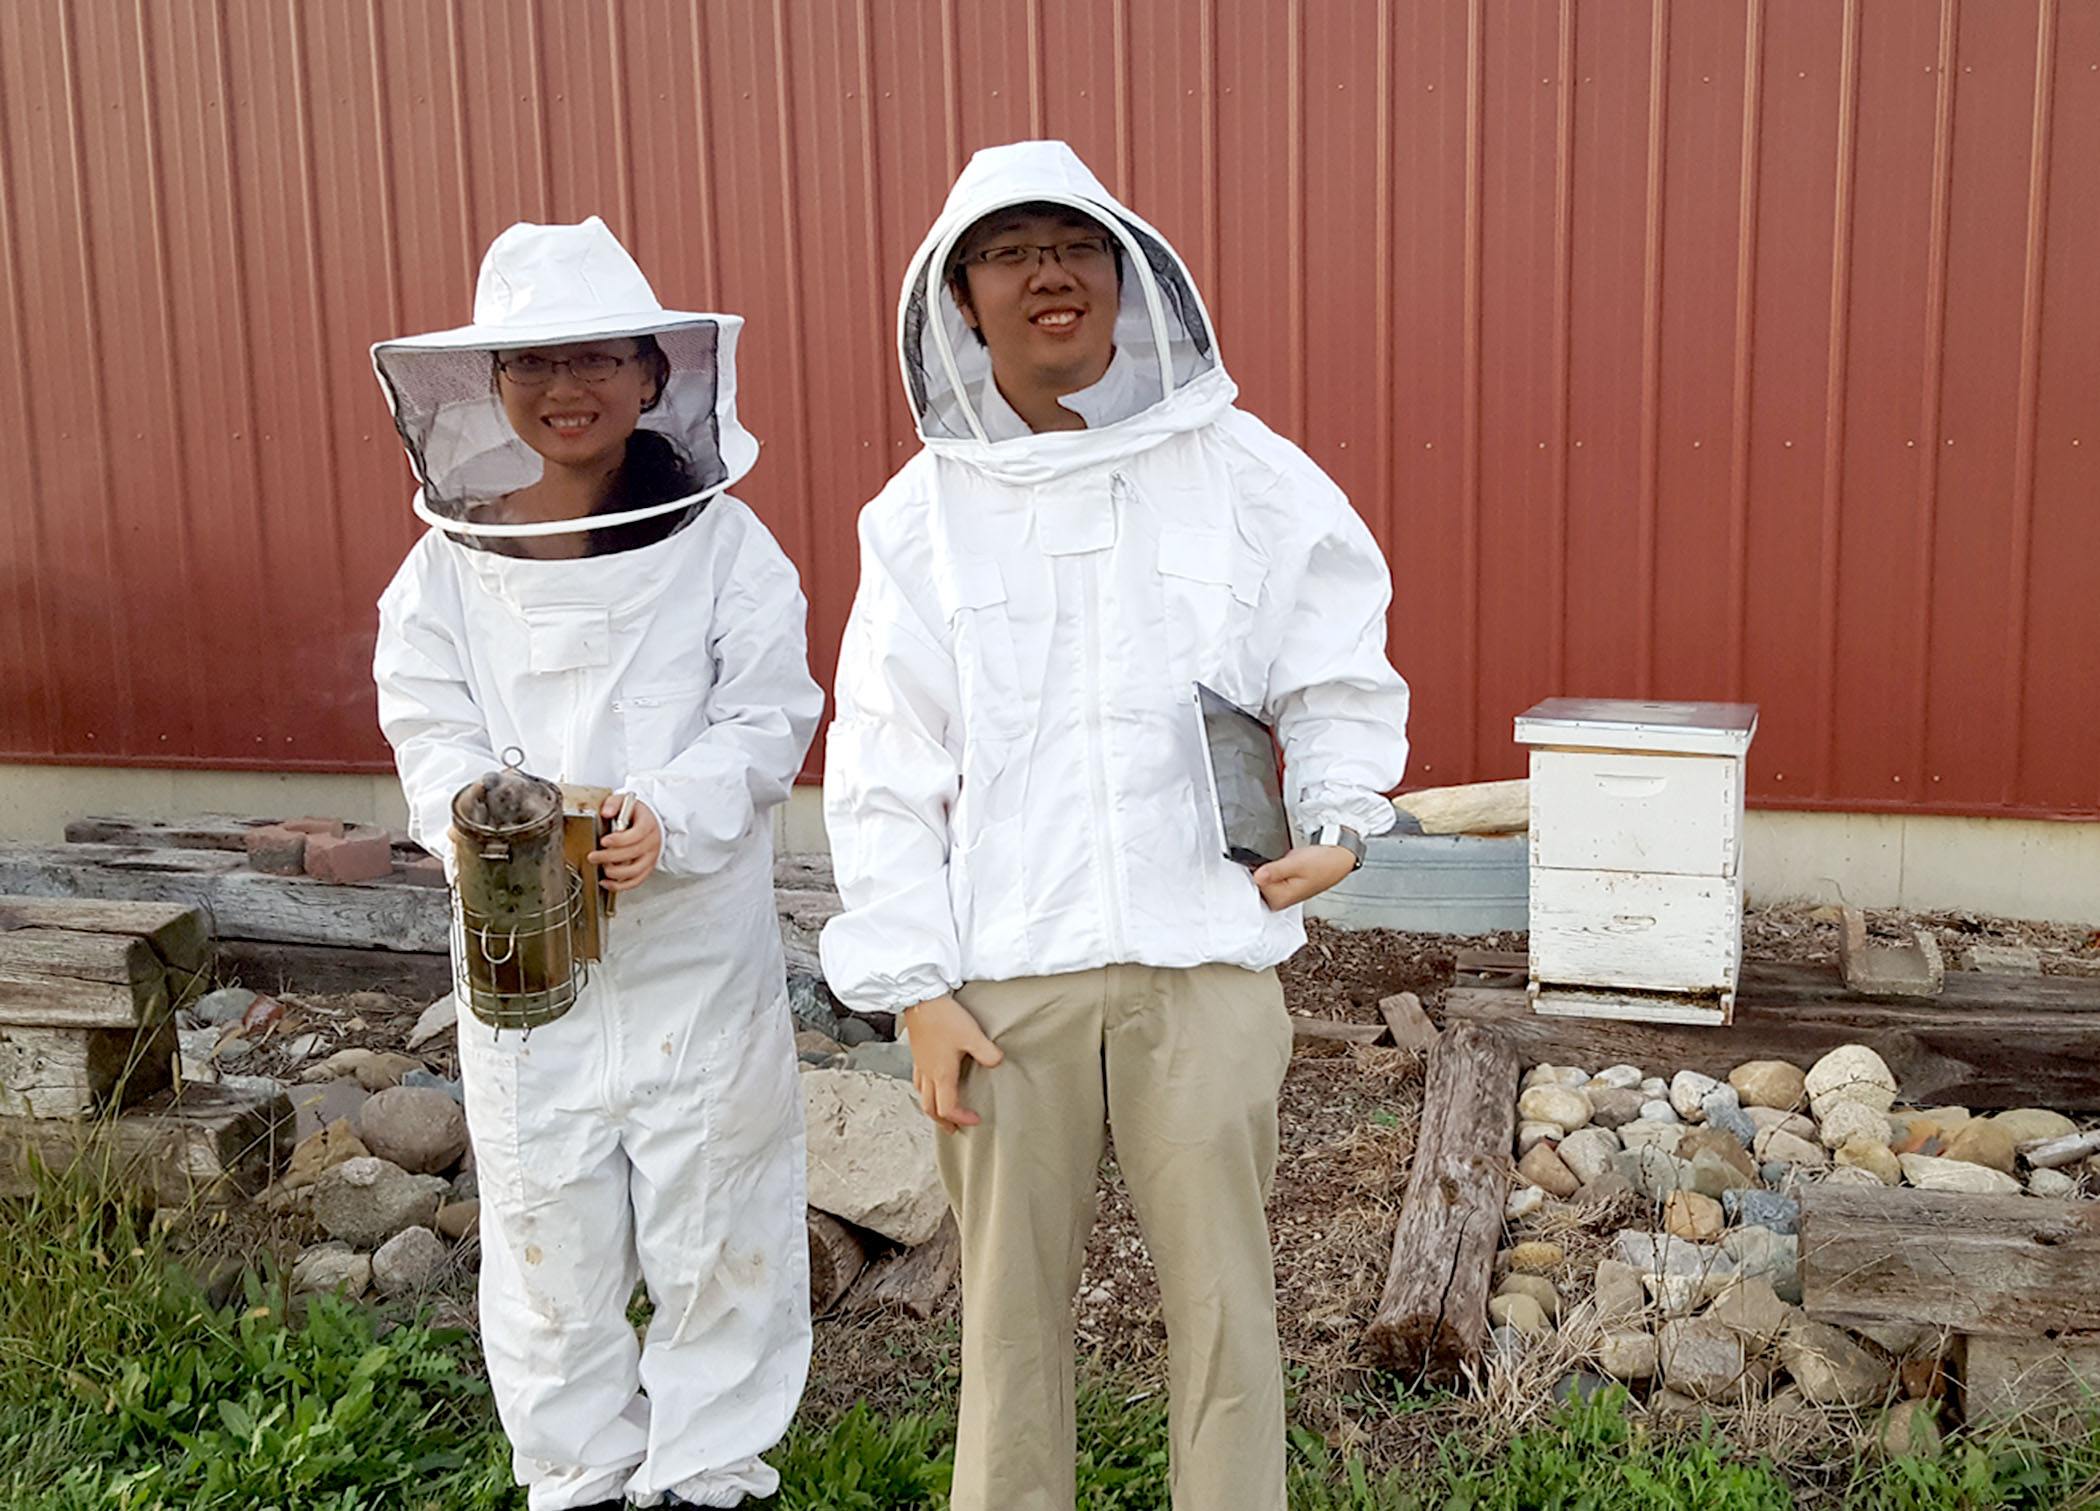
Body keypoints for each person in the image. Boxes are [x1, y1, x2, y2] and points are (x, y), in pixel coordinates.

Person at [819, 141, 1411, 1511]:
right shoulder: (921, 520)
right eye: (1011, 252)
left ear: (1128, 272)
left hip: (1205, 959)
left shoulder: (1241, 470)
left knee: (1226, 1311)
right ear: (962, 297)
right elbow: (887, 759)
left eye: (1074, 247)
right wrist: (910, 983)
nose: (1048, 276)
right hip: (1004, 973)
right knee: (1008, 1320)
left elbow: (1332, 666)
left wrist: (1336, 813)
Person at [371, 217, 821, 1511]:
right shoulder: (443, 569)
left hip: (687, 946)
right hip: (522, 948)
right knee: (543, 1225)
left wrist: (662, 812)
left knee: (717, 1216)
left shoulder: (731, 548)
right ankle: (573, 1480)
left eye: (595, 360)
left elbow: (769, 713)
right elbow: (426, 717)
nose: (565, 390)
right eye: (532, 365)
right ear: (492, 390)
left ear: (650, 376)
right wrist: (480, 809)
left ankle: (710, 1480)